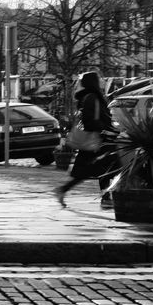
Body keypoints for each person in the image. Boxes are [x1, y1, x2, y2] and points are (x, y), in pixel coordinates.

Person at [53, 71, 116, 208]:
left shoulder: (87, 97)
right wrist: (106, 130)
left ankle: (63, 190)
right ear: (94, 82)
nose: (101, 81)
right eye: (99, 79)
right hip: (96, 139)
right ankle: (106, 197)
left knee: (93, 169)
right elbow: (91, 120)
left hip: (91, 139)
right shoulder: (92, 97)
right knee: (104, 167)